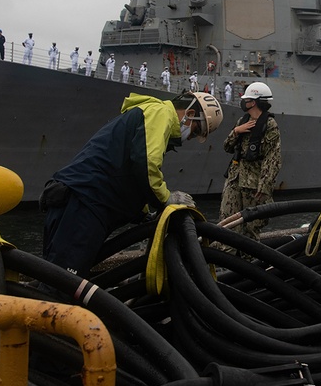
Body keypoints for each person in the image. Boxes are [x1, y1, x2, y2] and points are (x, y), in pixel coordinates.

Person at [40, 90, 224, 277]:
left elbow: (127, 173)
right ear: (190, 115)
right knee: (63, 283)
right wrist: (167, 199)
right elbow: (145, 163)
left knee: (57, 277)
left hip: (81, 201)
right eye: (195, 132)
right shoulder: (161, 113)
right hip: (84, 203)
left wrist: (143, 214)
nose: (190, 138)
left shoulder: (147, 113)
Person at [219, 82, 282, 243]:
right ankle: (227, 262)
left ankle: (249, 264)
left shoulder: (269, 125)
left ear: (253, 102)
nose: (243, 101)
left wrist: (264, 185)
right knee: (227, 223)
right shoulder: (242, 121)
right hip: (234, 179)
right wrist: (235, 132)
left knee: (250, 229)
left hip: (253, 184)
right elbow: (227, 147)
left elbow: (272, 159)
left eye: (246, 99)